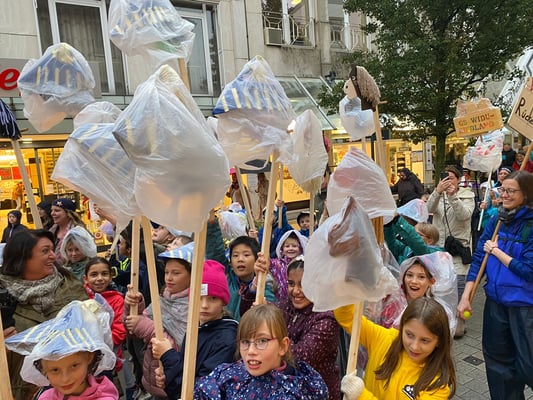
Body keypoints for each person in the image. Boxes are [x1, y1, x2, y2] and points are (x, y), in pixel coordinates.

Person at [458, 170, 533, 400]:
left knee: (529, 366)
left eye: (511, 191)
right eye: (503, 190)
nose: (504, 195)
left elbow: (529, 271)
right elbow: (479, 258)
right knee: (499, 369)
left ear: (526, 194)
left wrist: (498, 252)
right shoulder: (497, 220)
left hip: (525, 309)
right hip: (495, 305)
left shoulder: (530, 226)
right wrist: (466, 295)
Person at [0, 229, 88, 399]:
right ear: (22, 257)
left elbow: (93, 338)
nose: (53, 256)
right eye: (45, 251)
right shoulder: (2, 297)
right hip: (20, 392)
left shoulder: (70, 286)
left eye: (52, 250)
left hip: (73, 389)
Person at [194, 303, 329, 399]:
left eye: (262, 341)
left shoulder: (302, 389)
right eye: (245, 342)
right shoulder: (225, 377)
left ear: (283, 346)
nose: (251, 351)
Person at [336, 297, 456, 400]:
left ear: (439, 341)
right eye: (409, 335)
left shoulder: (437, 387)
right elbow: (347, 318)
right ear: (402, 327)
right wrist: (349, 291)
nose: (414, 346)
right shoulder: (384, 339)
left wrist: (361, 396)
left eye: (425, 340)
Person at [150, 260, 238, 399]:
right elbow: (185, 372)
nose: (204, 305)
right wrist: (168, 377)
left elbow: (201, 389)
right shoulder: (195, 328)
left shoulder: (227, 339)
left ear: (223, 301)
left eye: (213, 298)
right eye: (199, 298)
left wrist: (168, 356)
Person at [123, 243, 193, 399]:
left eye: (176, 273)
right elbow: (132, 331)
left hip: (173, 387)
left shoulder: (194, 307)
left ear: (192, 275)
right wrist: (133, 307)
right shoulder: (163, 297)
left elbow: (181, 347)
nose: (169, 277)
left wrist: (146, 327)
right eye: (167, 272)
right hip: (153, 381)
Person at [10, 300, 118, 400]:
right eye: (55, 370)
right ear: (43, 368)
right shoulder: (46, 397)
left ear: (89, 356)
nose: (65, 379)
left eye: (74, 366)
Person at [279, 257, 341, 399]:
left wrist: (271, 334)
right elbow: (251, 319)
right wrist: (254, 291)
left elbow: (301, 356)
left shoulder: (326, 319)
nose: (296, 291)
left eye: (303, 285)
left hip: (318, 394)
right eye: (291, 284)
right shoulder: (284, 306)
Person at [426, 165, 475, 338]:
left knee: (459, 286)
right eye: (444, 178)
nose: (448, 181)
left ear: (458, 180)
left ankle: (460, 321)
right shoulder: (437, 195)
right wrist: (437, 192)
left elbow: (464, 215)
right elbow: (428, 210)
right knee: (440, 288)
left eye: (451, 178)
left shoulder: (467, 196)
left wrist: (453, 196)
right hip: (440, 250)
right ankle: (442, 322)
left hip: (459, 250)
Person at [226, 236, 277, 320]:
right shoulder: (228, 281)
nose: (240, 259)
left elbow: (270, 313)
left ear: (257, 260)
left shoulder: (264, 286)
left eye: (246, 255)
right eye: (235, 255)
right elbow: (215, 250)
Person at [269, 230, 308, 302]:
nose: (291, 248)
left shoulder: (305, 264)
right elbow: (264, 260)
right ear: (282, 249)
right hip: (280, 301)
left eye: (294, 246)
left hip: (299, 298)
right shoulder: (277, 264)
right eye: (287, 246)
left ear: (300, 248)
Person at [49, 198, 89, 266]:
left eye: (57, 210)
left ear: (68, 213)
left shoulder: (78, 232)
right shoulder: (52, 230)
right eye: (52, 210)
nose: (52, 213)